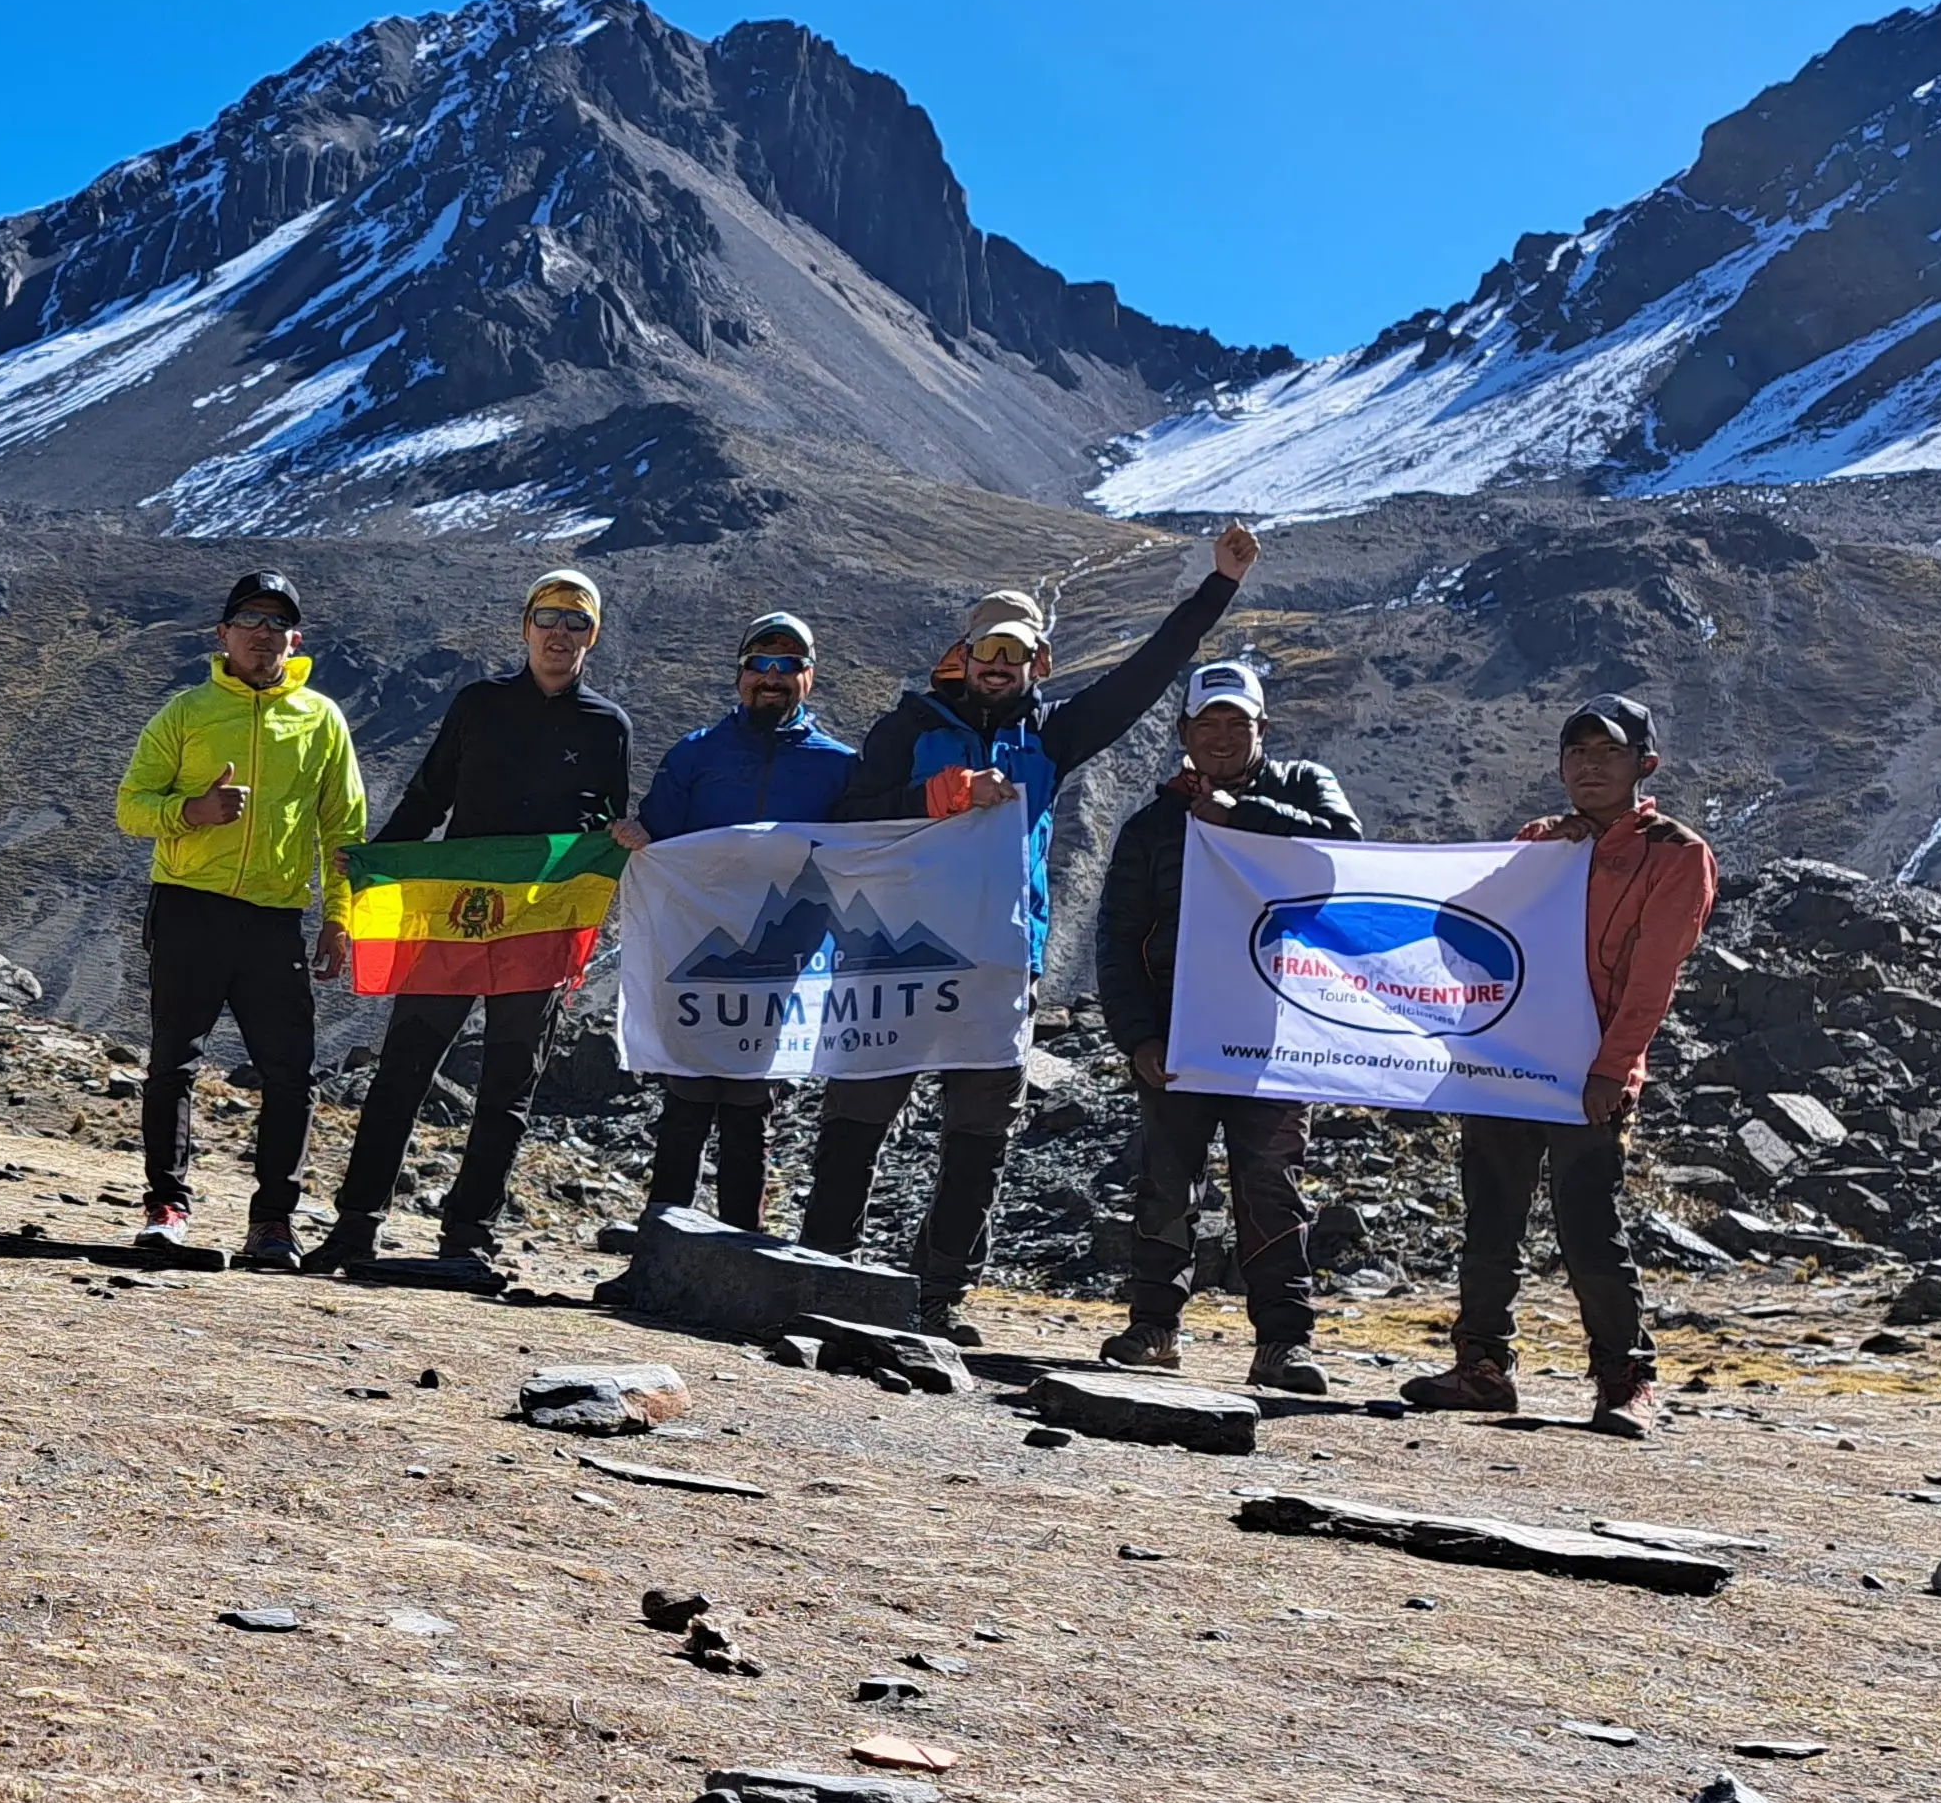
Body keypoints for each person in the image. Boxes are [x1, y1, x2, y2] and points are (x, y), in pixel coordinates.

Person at [798, 522, 1261, 1344]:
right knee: (858, 1116)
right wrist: (933, 796)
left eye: (1015, 655)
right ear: (963, 655)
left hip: (999, 962)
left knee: (976, 1135)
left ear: (1036, 665)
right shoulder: (909, 727)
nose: (999, 666)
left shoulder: (1052, 736)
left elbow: (1146, 673)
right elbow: (845, 819)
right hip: (890, 956)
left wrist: (1218, 586)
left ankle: (938, 1296)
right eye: (987, 651)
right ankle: (822, 1270)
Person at [1400, 693, 1717, 1438]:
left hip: (1589, 1074)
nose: (1590, 767)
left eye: (1608, 753)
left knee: (1588, 1226)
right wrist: (1538, 860)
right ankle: (1481, 1367)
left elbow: (1651, 980)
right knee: (1490, 1218)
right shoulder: (1541, 840)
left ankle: (1623, 1379)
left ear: (1646, 764)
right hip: (1506, 1061)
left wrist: (1612, 1070)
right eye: (1577, 753)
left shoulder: (1675, 854)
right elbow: (1463, 929)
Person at [309, 568, 631, 1280]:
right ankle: (355, 1225)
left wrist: (627, 844)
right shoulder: (478, 706)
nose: (560, 633)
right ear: (525, 627)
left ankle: (468, 1238)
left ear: (593, 636)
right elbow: (428, 797)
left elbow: (608, 827)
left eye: (576, 621)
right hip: (453, 921)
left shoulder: (608, 727)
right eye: (548, 617)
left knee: (508, 1089)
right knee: (401, 1073)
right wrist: (377, 865)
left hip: (539, 930)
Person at [1093, 660, 1363, 1392]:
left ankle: (1283, 1341)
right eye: (1205, 723)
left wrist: (1236, 815)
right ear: (1183, 732)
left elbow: (1345, 846)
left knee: (1270, 1184)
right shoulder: (1152, 824)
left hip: (1276, 1030)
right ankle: (1153, 1327)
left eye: (1235, 723)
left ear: (1262, 730)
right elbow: (1116, 937)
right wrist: (1137, 1037)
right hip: (1178, 1034)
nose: (1219, 735)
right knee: (1163, 1181)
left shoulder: (1304, 785)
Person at [115, 569, 366, 1268]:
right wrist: (189, 813)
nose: (262, 634)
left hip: (273, 918)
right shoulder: (186, 713)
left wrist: (338, 917)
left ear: (296, 639)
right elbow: (131, 805)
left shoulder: (320, 719)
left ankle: (274, 1225)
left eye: (276, 622)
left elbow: (343, 829)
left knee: (291, 1074)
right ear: (222, 634)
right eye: (249, 620)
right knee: (173, 1062)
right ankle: (166, 1207)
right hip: (189, 909)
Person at [605, 612, 857, 1235]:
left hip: (784, 966)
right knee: (686, 1102)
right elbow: (657, 835)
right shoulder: (696, 753)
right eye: (760, 666)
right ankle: (660, 1248)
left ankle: (741, 1253)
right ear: (740, 674)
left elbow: (866, 851)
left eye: (788, 666)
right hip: (696, 957)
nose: (771, 679)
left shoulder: (842, 766)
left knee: (750, 1110)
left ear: (810, 677)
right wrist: (637, 836)